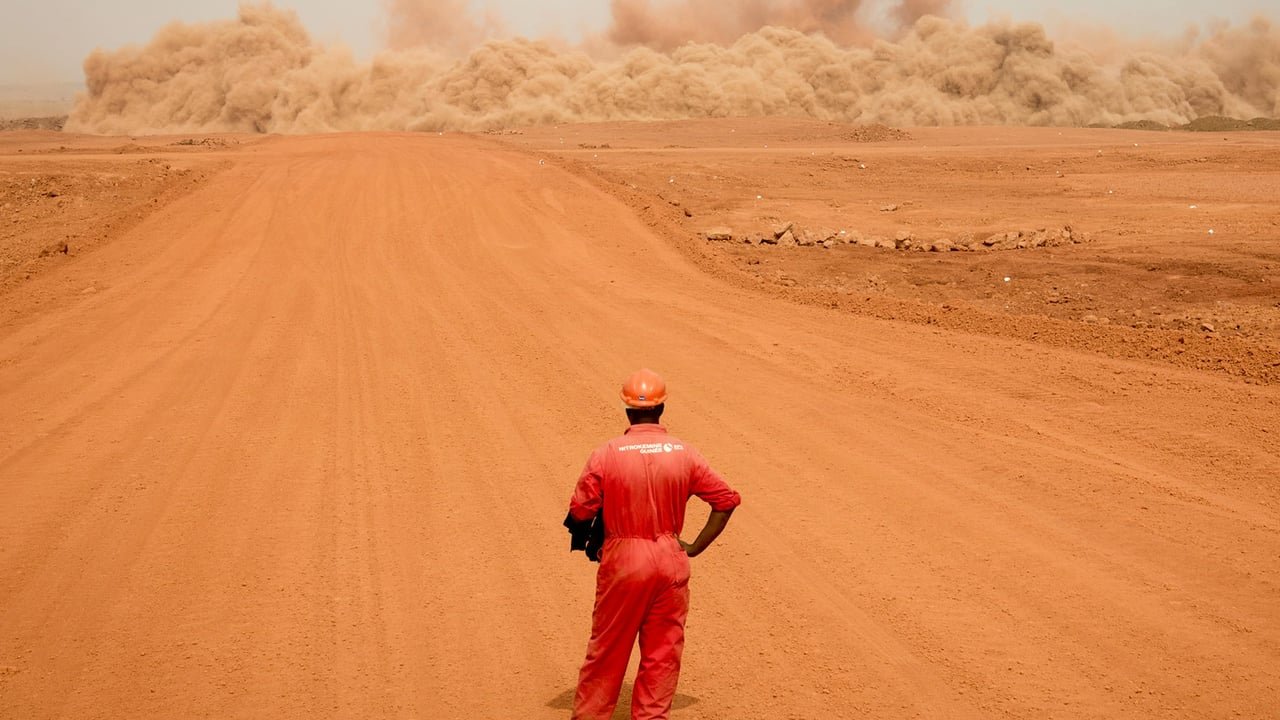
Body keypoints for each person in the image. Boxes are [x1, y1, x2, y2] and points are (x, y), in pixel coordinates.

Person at [565, 368, 741, 720]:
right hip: (670, 561)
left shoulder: (606, 454)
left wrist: (590, 537)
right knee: (662, 655)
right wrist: (693, 547)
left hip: (624, 562)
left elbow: (580, 511)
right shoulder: (685, 453)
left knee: (607, 653)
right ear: (661, 409)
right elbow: (725, 500)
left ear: (627, 409)